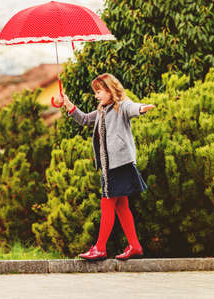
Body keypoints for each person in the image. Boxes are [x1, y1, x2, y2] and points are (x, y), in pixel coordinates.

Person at [56, 73, 155, 261]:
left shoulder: (121, 106)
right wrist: (67, 104)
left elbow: (132, 108)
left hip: (117, 164)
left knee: (107, 203)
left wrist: (142, 108)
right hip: (113, 164)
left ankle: (100, 247)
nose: (96, 95)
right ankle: (134, 245)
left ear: (110, 90)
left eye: (99, 91)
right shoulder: (102, 110)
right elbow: (84, 119)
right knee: (121, 206)